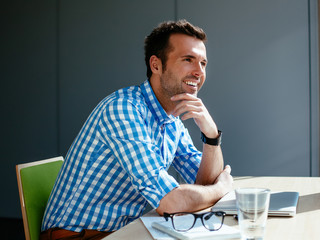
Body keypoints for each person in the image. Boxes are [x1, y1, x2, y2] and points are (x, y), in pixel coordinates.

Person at [40, 19, 233, 240]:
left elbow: (205, 186)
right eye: (188, 60)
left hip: (121, 232)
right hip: (77, 236)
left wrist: (211, 136)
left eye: (203, 63)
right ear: (156, 65)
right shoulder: (124, 109)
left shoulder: (172, 120)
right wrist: (221, 188)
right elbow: (173, 203)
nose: (199, 72)